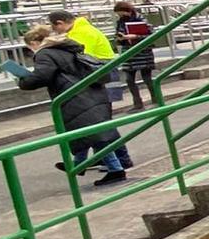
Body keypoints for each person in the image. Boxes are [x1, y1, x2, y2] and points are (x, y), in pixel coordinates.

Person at [18, 23, 131, 186]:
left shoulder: (45, 53)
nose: (31, 51)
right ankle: (79, 164)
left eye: (30, 47)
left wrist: (24, 80)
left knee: (91, 133)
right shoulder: (66, 46)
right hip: (89, 93)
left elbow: (43, 75)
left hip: (74, 97)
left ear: (35, 42)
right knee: (87, 131)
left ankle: (115, 169)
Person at [113, 0, 161, 111]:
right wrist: (121, 38)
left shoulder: (141, 19)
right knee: (129, 80)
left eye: (121, 13)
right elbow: (119, 34)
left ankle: (156, 99)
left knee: (147, 78)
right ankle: (137, 103)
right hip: (129, 52)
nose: (120, 16)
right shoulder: (120, 22)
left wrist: (135, 36)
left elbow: (150, 35)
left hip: (143, 53)